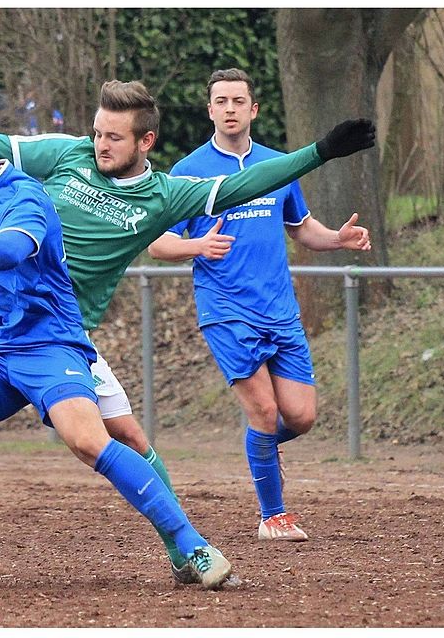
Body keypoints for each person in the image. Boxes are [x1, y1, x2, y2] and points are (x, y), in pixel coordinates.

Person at [0, 82, 374, 585]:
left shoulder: (159, 196)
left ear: (146, 141)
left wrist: (320, 151)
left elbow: (246, 186)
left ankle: (188, 549)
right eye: (97, 131)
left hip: (58, 334)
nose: (100, 143)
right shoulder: (64, 158)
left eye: (113, 136)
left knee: (114, 439)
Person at [147, 68, 373, 542]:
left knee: (302, 416)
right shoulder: (187, 172)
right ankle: (273, 516)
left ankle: (262, 449)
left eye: (238, 101)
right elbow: (157, 244)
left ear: (253, 110)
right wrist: (195, 248)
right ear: (210, 110)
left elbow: (301, 228)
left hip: (280, 309)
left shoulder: (279, 165)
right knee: (265, 413)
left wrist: (337, 239)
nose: (229, 108)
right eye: (220, 101)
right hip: (226, 310)